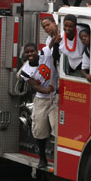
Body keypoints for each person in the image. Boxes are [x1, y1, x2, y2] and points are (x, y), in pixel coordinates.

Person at [19, 41, 58, 169]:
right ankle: (42, 157)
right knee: (40, 130)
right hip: (41, 100)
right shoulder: (25, 71)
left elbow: (52, 41)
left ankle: (59, 158)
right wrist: (47, 90)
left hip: (56, 99)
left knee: (56, 126)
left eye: (32, 51)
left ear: (37, 51)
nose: (30, 54)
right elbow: (35, 85)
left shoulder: (45, 53)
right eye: (27, 52)